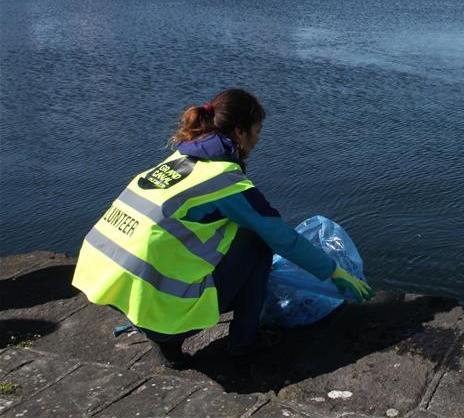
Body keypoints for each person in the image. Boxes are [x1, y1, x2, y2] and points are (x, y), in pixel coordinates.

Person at [71, 89, 374, 368]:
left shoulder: (178, 160)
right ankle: (243, 342)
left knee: (214, 237)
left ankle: (166, 343)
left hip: (111, 289)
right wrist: (334, 272)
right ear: (240, 132)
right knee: (258, 240)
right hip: (160, 305)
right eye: (257, 131)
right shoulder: (224, 179)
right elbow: (283, 238)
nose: (257, 140)